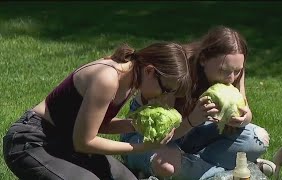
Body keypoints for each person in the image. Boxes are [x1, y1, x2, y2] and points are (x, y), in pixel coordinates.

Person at [2, 42, 192, 180]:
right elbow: (84, 142)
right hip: (32, 141)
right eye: (166, 89)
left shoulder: (130, 81)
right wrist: (143, 147)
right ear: (150, 71)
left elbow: (96, 124)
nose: (163, 96)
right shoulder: (108, 79)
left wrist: (136, 126)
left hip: (65, 141)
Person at [121, 26, 273, 180]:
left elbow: (246, 115)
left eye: (238, 71)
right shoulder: (178, 73)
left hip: (193, 134)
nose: (231, 78)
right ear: (203, 60)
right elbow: (163, 134)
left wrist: (241, 118)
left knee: (257, 138)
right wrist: (192, 120)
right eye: (224, 70)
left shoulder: (233, 67)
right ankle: (232, 171)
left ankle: (194, 166)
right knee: (167, 165)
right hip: (148, 136)